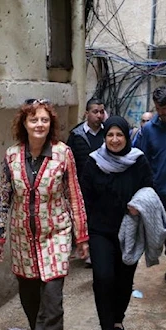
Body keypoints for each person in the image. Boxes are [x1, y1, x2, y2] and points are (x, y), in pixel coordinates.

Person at [0, 99, 90, 330]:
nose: (39, 124)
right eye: (34, 119)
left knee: (53, 296)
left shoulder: (63, 153)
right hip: (22, 236)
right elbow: (4, 196)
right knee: (29, 293)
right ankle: (37, 329)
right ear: (24, 124)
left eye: (44, 120)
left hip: (55, 233)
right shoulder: (12, 155)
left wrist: (81, 237)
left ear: (51, 124)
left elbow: (74, 195)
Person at [80, 116, 154, 330]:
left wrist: (139, 204)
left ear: (126, 136)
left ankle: (118, 319)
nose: (114, 139)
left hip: (129, 230)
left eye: (119, 135)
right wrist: (83, 231)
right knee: (103, 277)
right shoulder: (94, 162)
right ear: (105, 137)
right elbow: (84, 196)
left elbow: (148, 189)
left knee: (124, 280)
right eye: (110, 135)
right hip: (100, 230)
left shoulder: (138, 161)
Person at [134, 85, 166, 281]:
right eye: (159, 108)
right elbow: (141, 158)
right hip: (161, 191)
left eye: (165, 108)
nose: (162, 112)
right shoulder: (149, 130)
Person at [67, 98, 106, 268]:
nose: (99, 115)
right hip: (83, 187)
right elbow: (69, 162)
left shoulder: (108, 134)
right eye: (95, 112)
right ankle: (88, 251)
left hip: (105, 186)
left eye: (101, 112)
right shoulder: (76, 136)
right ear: (86, 113)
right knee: (86, 219)